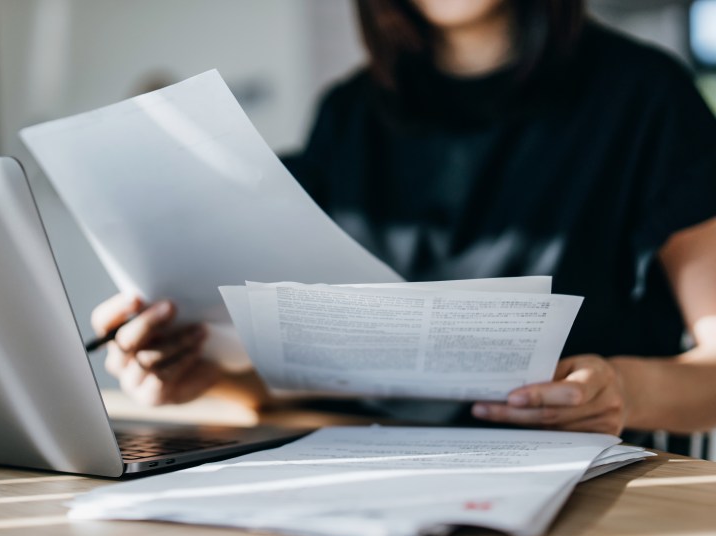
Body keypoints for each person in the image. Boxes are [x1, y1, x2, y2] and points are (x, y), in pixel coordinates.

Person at [92, 0, 716, 437]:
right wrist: (200, 376)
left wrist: (623, 390)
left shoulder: (649, 98)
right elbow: (325, 384)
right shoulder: (347, 117)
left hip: (580, 493)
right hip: (369, 479)